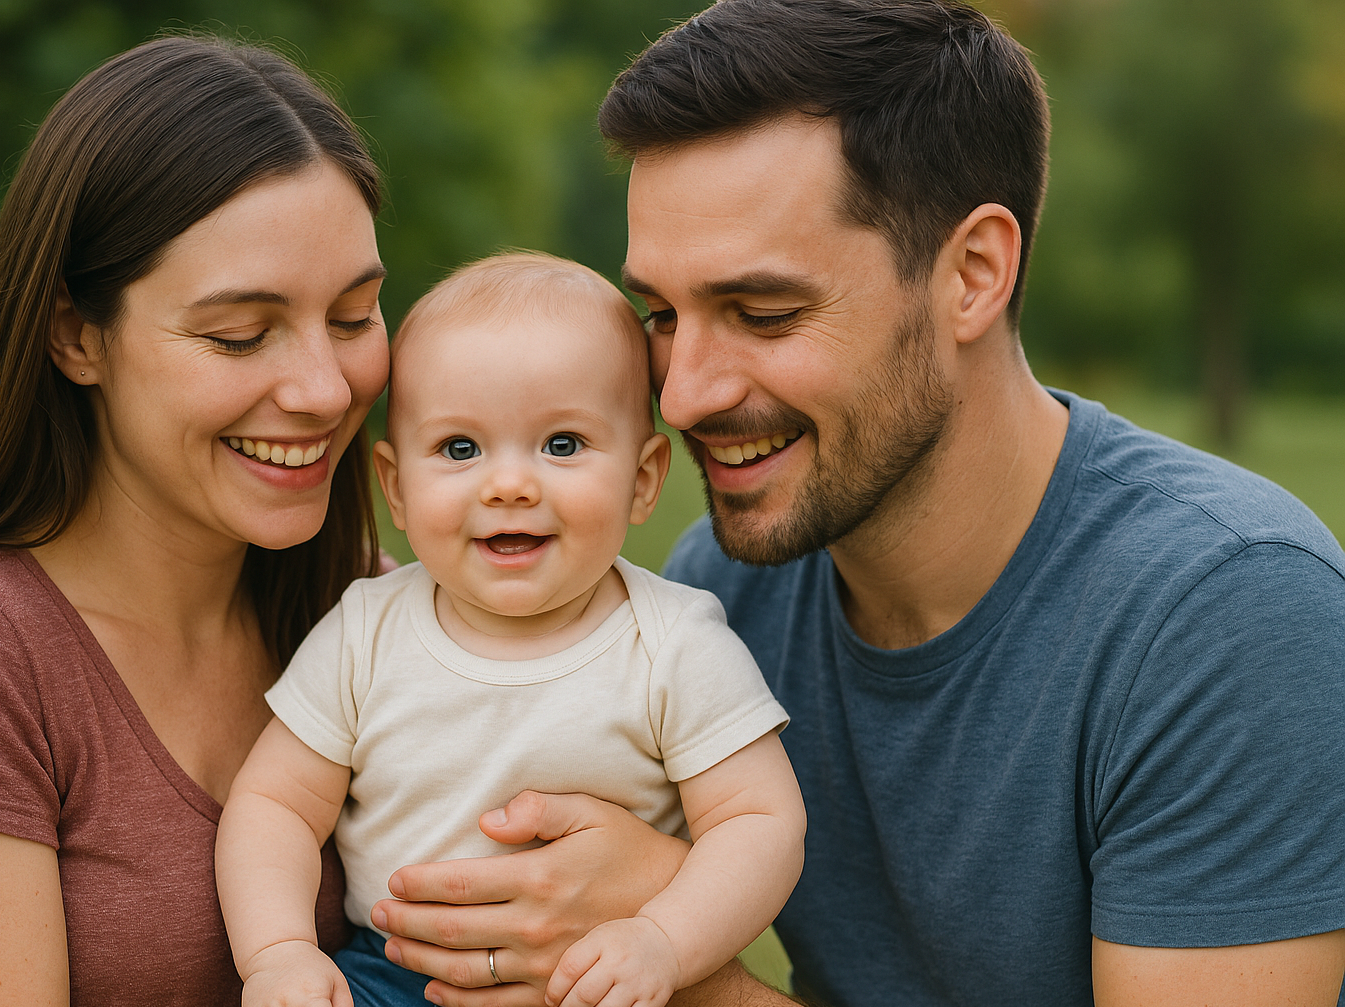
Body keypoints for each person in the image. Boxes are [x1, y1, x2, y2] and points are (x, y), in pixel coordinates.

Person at [369, 2, 1345, 1005]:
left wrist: (685, 958)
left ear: (972, 274)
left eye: (763, 312)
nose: (684, 392)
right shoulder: (723, 594)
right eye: (663, 315)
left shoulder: (1227, 613)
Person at [0, 36, 390, 1005]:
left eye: (353, 315)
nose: (324, 388)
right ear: (76, 335)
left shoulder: (371, 609)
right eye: (239, 334)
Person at [214, 253, 805, 1007]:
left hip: (597, 978)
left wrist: (663, 938)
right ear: (395, 487)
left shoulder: (674, 643)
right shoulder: (366, 630)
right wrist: (279, 952)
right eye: (460, 448)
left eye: (562, 444)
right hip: (394, 978)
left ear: (644, 477)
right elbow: (276, 805)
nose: (509, 484)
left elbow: (760, 821)